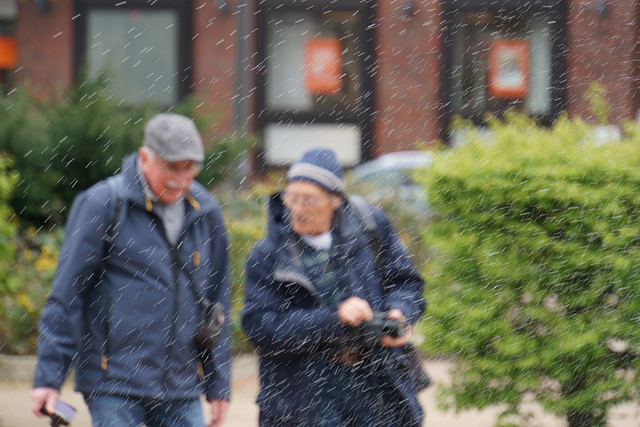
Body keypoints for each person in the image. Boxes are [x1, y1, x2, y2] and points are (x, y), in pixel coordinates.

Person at [30, 113, 231, 427]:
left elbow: (217, 304)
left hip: (181, 386)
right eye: (170, 167)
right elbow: (67, 295)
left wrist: (219, 384)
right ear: (144, 158)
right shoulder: (102, 204)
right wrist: (48, 378)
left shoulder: (206, 211)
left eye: (189, 167)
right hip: (114, 384)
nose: (181, 178)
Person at [242, 148, 426, 426]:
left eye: (309, 200)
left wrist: (400, 313)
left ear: (336, 200)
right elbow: (261, 329)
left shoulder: (371, 227)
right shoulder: (267, 254)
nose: (297, 209)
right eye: (291, 197)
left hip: (374, 384)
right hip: (304, 394)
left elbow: (406, 283)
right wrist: (334, 317)